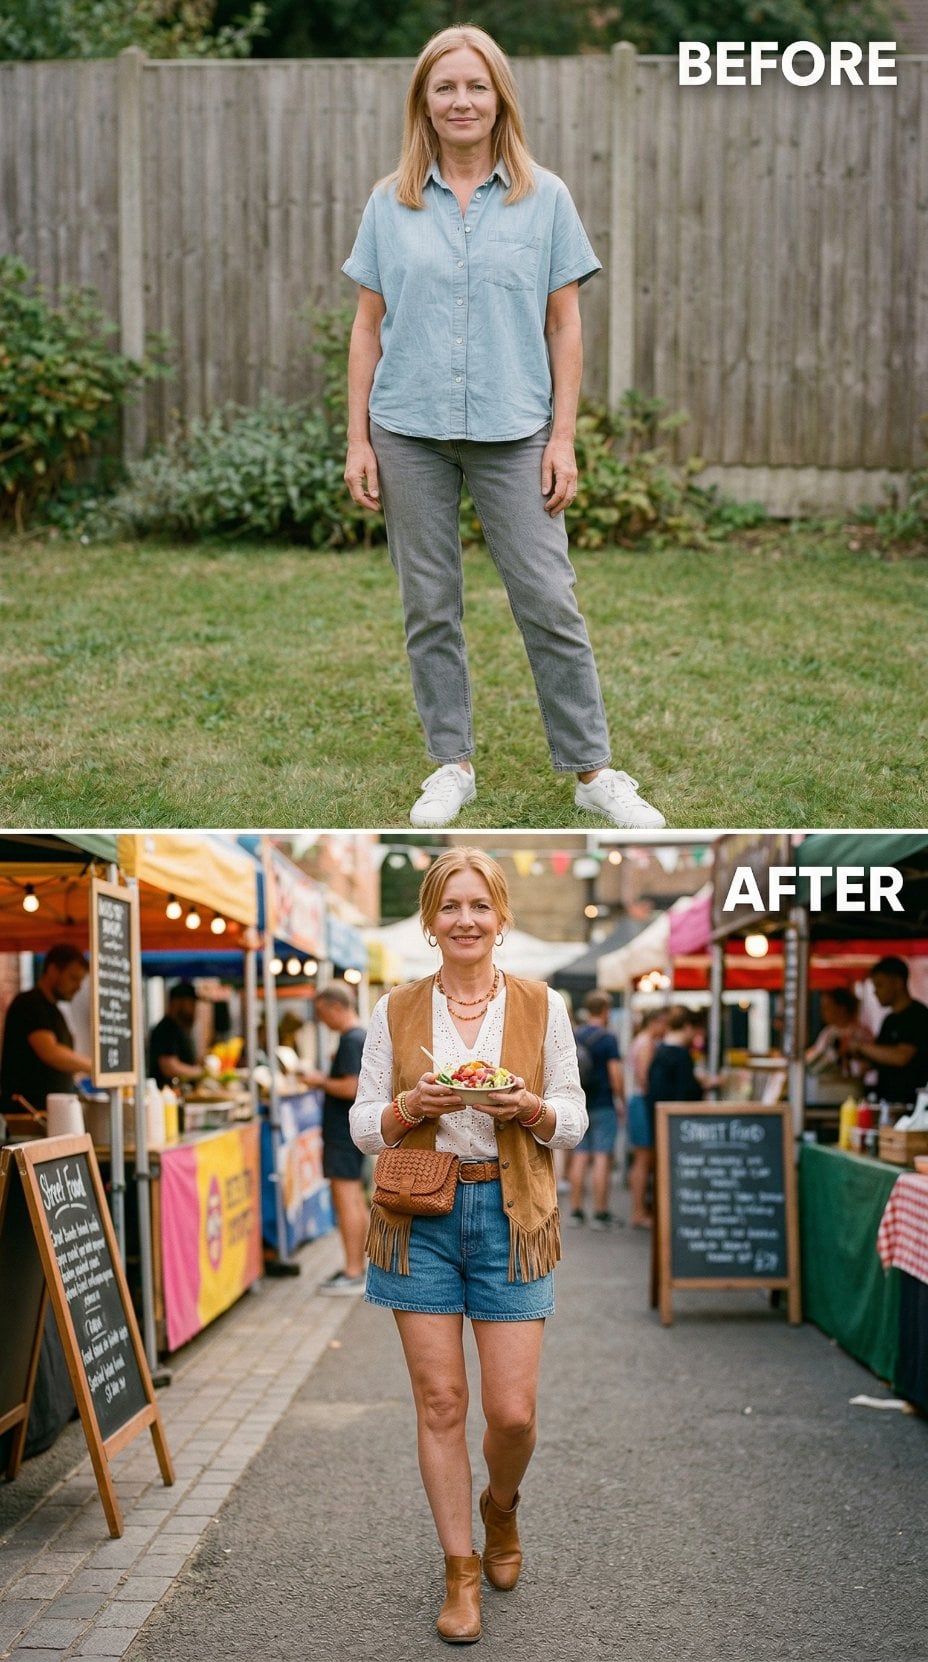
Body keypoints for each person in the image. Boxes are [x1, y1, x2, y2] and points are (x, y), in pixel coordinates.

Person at [342, 24, 665, 834]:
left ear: (499, 100)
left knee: (549, 600)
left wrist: (562, 437)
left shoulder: (545, 198)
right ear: (424, 102)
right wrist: (357, 439)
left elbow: (565, 325)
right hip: (408, 428)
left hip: (516, 427)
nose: (462, 101)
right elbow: (367, 327)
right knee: (429, 604)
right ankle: (450, 765)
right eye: (445, 87)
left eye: (476, 86)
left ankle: (593, 772)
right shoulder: (389, 203)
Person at [349, 847, 586, 1643]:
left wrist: (529, 1108)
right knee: (442, 1402)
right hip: (420, 1211)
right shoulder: (395, 1009)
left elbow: (574, 1117)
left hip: (512, 1215)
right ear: (431, 919)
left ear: (501, 916)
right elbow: (363, 1123)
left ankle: (501, 1506)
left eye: (479, 905)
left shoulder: (543, 1005)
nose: (465, 919)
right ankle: (460, 1571)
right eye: (450, 906)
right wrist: (410, 1106)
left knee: (512, 1414)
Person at [300, 983, 369, 1296]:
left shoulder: (352, 1039)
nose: (320, 1019)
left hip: (342, 1133)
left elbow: (351, 1087)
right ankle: (359, 1267)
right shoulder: (358, 1037)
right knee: (354, 1200)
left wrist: (319, 1081)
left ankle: (353, 1270)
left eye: (321, 1012)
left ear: (336, 1007)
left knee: (347, 1200)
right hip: (348, 1132)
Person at [0, 943, 92, 1117]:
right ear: (52, 970)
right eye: (73, 978)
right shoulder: (29, 1004)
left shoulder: (56, 1012)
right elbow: (50, 1052)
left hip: (52, 1114)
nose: (78, 987)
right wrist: (94, 1066)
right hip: (27, 1115)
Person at [567, 990, 623, 1228]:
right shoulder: (608, 1038)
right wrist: (621, 1100)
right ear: (605, 1010)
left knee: (580, 1157)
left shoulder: (575, 1035)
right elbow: (615, 1074)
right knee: (601, 1157)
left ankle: (576, 1211)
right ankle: (600, 1213)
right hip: (602, 1103)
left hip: (580, 1102)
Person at [841, 957, 928, 1105]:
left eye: (880, 985)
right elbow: (879, 1059)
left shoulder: (918, 1015)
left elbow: (901, 1057)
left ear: (898, 983)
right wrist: (855, 1054)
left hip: (911, 1104)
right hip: (886, 1100)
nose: (875, 992)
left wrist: (861, 1046)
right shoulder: (889, 1020)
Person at [625, 1007, 669, 1227]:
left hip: (637, 1101)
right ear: (655, 1022)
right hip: (642, 1102)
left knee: (641, 1157)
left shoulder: (641, 1040)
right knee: (642, 1157)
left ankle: (639, 1209)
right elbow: (645, 1077)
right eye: (664, 1023)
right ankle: (639, 1211)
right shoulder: (646, 1043)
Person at [805, 987, 872, 1081]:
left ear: (841, 1009)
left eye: (827, 1007)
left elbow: (865, 1065)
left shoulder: (860, 1033)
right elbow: (816, 1054)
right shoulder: (827, 1032)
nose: (822, 1012)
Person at [148, 980, 202, 1089]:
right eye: (191, 1003)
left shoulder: (180, 1028)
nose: (194, 1008)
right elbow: (169, 1067)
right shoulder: (165, 1029)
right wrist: (200, 1072)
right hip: (167, 1092)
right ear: (177, 1002)